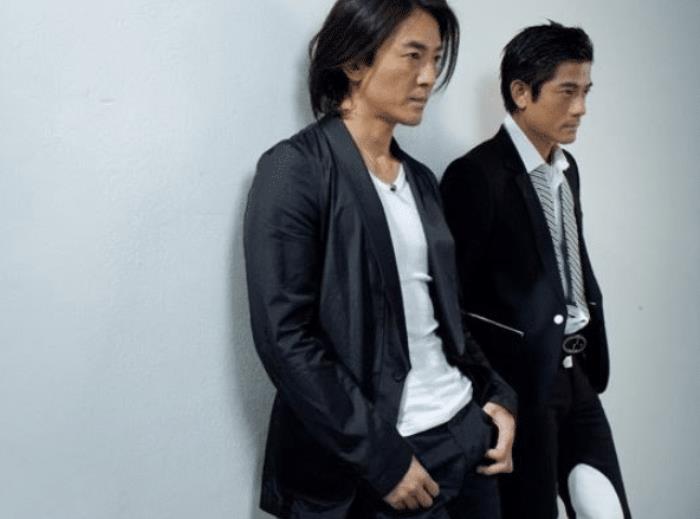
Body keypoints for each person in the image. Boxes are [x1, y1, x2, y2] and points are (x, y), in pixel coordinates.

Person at [244, 1, 517, 518]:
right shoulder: (293, 170)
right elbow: (285, 338)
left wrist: (497, 395)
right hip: (385, 462)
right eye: (413, 55)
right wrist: (382, 458)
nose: (429, 77)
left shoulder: (422, 181)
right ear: (354, 61)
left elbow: (445, 315)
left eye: (436, 59)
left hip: (466, 436)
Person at [440, 21, 632, 519]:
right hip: (522, 384)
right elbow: (451, 301)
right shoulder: (475, 176)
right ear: (521, 92)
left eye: (586, 91)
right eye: (567, 91)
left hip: (578, 373)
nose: (581, 107)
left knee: (608, 509)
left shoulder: (568, 170)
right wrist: (489, 389)